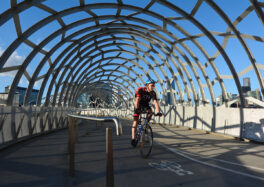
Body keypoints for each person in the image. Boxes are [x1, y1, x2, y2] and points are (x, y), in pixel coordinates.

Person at [131, 78, 162, 147]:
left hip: (146, 105)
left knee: (150, 112)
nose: (153, 87)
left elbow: (155, 102)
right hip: (139, 105)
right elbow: (137, 100)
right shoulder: (141, 90)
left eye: (154, 86)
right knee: (135, 121)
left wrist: (158, 112)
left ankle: (145, 125)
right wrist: (137, 109)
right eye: (152, 85)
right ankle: (133, 139)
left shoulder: (153, 93)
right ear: (147, 85)